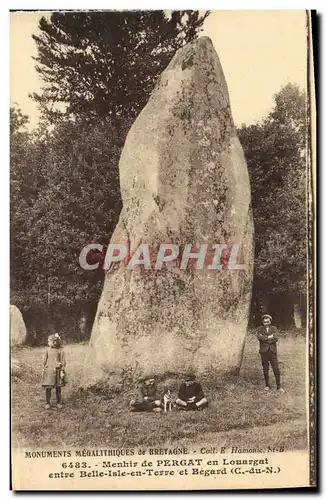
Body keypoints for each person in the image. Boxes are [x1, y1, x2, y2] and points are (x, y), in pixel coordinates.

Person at [256, 314, 284, 392]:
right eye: (265, 322)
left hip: (272, 351)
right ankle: (267, 385)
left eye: (268, 322)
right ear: (262, 322)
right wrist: (269, 337)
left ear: (270, 321)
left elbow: (276, 338)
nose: (266, 323)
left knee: (276, 369)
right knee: (265, 369)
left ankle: (279, 387)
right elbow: (259, 337)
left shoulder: (274, 328)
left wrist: (265, 338)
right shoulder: (259, 329)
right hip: (264, 352)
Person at [41, 333, 66, 409]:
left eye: (49, 341)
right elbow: (44, 360)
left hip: (57, 371)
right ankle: (47, 402)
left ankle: (59, 402)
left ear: (55, 342)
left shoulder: (60, 351)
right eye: (48, 342)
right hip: (49, 371)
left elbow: (63, 361)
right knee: (48, 387)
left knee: (58, 388)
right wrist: (43, 368)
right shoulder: (47, 350)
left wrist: (62, 370)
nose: (48, 343)